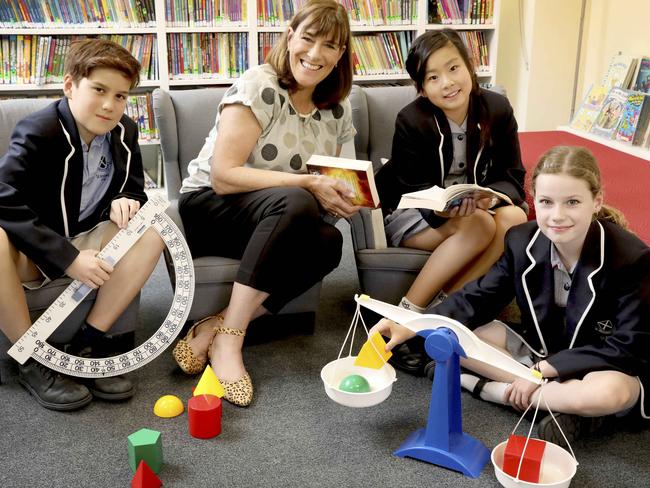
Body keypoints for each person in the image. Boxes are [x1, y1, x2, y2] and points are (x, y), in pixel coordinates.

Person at [373, 146, 650, 444]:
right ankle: (565, 405)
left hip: (604, 366)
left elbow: (627, 346)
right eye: (546, 202)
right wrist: (411, 324)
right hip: (539, 354)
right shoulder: (521, 241)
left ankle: (497, 392)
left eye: (572, 202)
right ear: (535, 201)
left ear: (596, 202)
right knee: (456, 334)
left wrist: (544, 370)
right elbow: (475, 299)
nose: (557, 216)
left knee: (609, 393)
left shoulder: (632, 258)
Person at [172, 0, 358, 407]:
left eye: (329, 45)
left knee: (329, 240)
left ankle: (217, 326)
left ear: (341, 54)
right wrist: (306, 183)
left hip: (278, 217)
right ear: (290, 36)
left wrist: (346, 196)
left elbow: (336, 178)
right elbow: (224, 174)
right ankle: (230, 342)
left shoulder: (339, 108)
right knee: (294, 200)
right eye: (307, 38)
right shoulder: (260, 84)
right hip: (210, 207)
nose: (315, 53)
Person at [0, 39, 165, 411]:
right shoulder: (38, 131)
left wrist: (128, 198)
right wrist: (68, 258)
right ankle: (30, 360)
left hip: (88, 233)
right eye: (100, 90)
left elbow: (132, 186)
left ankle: (89, 345)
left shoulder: (125, 131)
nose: (110, 105)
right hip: (34, 246)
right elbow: (2, 197)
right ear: (70, 85)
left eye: (121, 96)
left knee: (152, 229)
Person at [373, 29, 527, 374]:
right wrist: (445, 206)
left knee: (514, 219)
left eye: (454, 68)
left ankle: (444, 317)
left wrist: (493, 197)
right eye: (433, 77)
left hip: (475, 210)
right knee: (479, 224)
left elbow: (514, 176)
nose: (447, 83)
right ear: (421, 87)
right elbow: (410, 186)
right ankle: (407, 314)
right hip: (415, 214)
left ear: (470, 68)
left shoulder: (497, 109)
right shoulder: (411, 120)